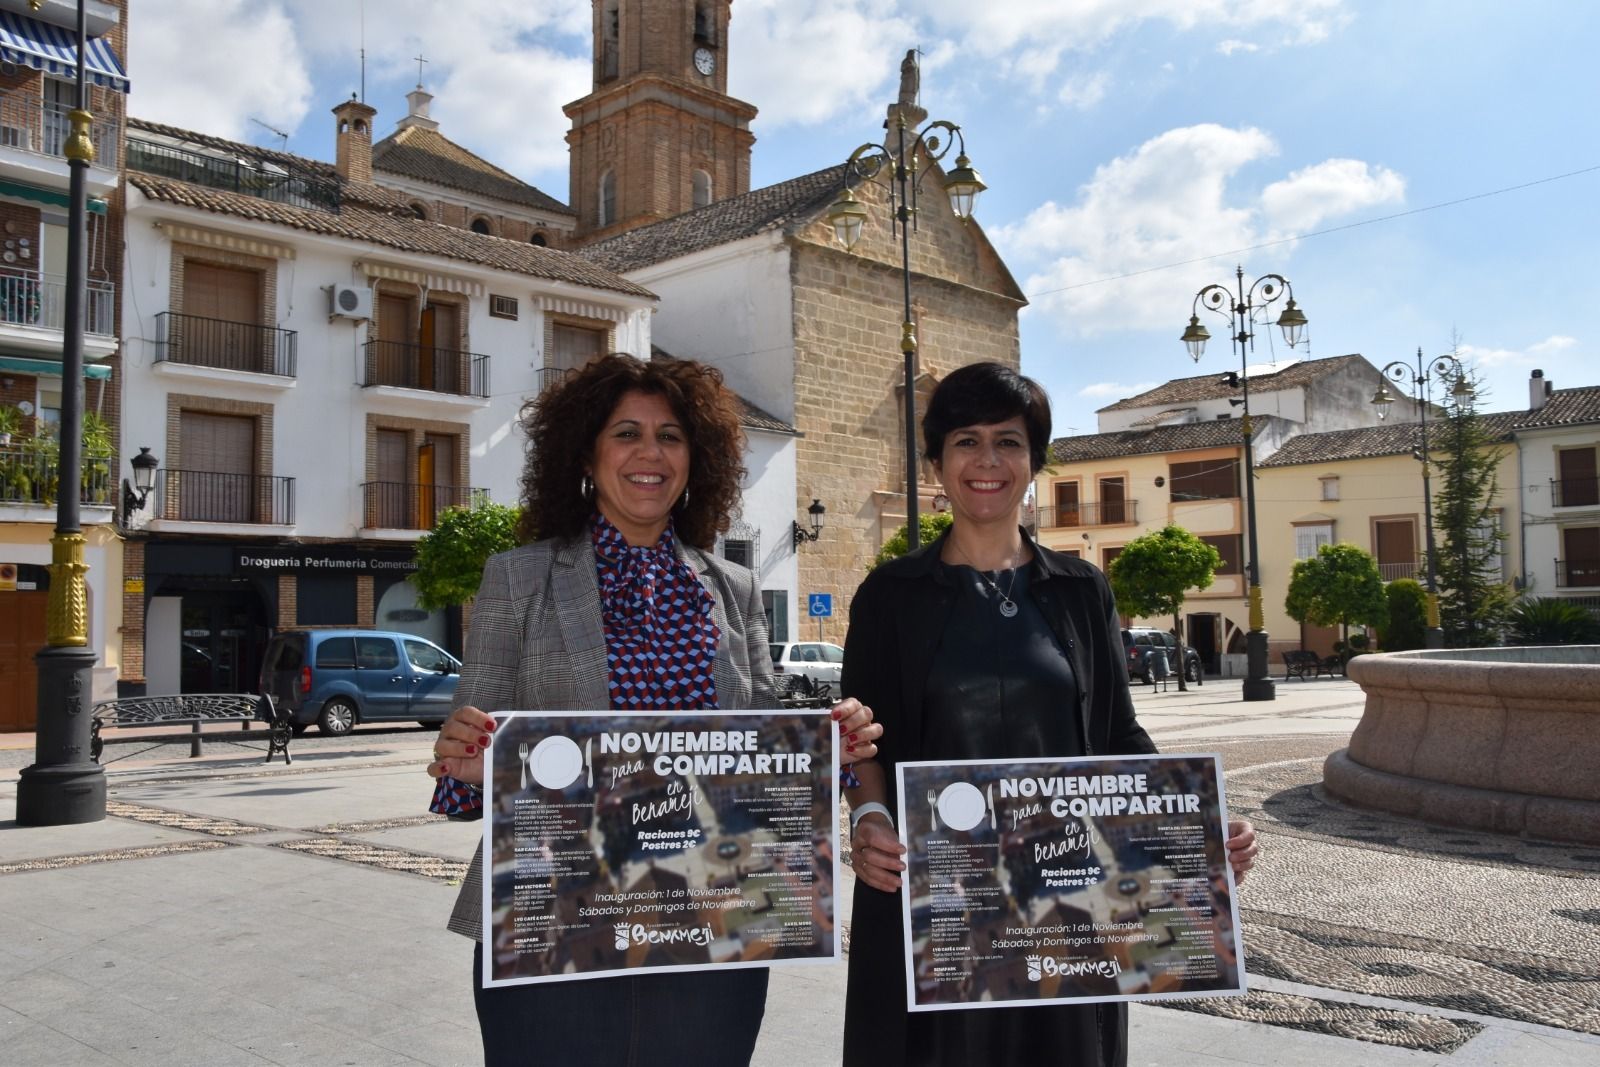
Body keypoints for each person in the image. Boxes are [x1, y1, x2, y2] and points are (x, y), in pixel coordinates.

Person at [425, 354, 880, 1066]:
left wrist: (828, 749)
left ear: (696, 459)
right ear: (586, 454)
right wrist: (468, 760)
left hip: (713, 920)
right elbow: (468, 771)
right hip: (554, 920)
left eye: (670, 436)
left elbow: (763, 755)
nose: (651, 453)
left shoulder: (732, 587)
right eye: (626, 433)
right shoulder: (518, 577)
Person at [841, 362, 1259, 1067]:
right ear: (937, 462)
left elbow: (1118, 732)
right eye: (966, 441)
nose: (988, 461)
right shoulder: (889, 595)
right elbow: (862, 749)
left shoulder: (1081, 590)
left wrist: (1196, 821)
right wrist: (870, 817)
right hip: (934, 900)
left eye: (1008, 442)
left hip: (1067, 897)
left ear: (1033, 462)